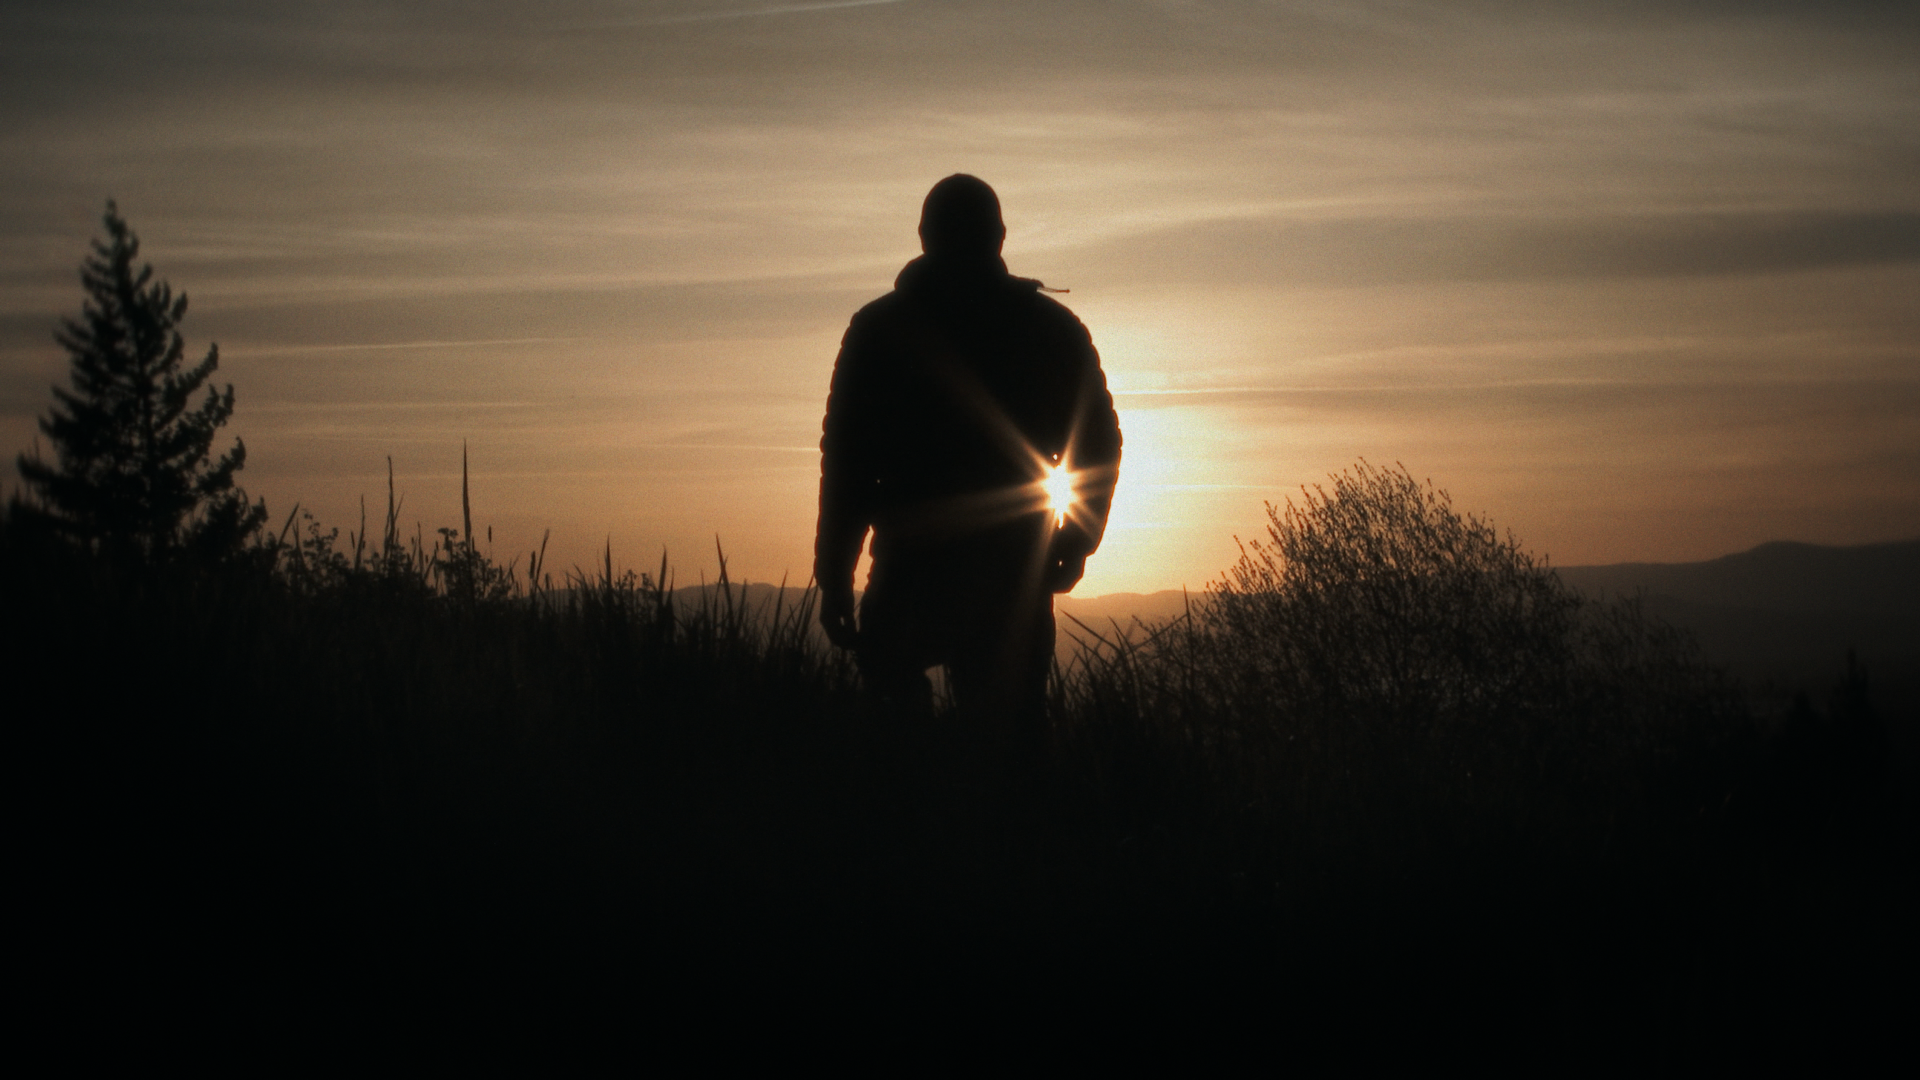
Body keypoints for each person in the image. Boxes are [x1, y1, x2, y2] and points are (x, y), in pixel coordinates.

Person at [814, 174, 1122, 729]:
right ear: (1000, 235)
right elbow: (1099, 445)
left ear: (923, 236)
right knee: (1007, 757)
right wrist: (1073, 543)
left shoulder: (879, 329)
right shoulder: (1051, 329)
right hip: (1007, 572)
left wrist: (835, 573)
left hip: (913, 569)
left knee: (896, 745)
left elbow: (847, 465)